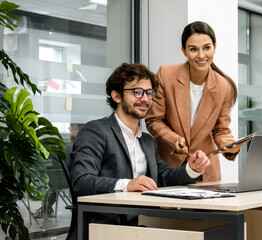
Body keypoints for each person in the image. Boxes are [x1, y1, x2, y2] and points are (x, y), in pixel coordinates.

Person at [70, 63, 210, 237]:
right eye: (137, 92)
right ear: (116, 96)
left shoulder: (147, 141)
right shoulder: (96, 131)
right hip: (103, 230)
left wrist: (192, 169)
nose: (145, 99)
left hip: (142, 225)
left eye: (149, 93)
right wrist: (127, 185)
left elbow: (165, 177)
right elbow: (81, 181)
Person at [145, 21, 248, 181]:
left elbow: (221, 130)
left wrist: (230, 146)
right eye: (193, 49)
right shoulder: (166, 74)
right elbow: (153, 120)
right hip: (170, 166)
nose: (201, 55)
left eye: (207, 47)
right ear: (184, 51)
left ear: (215, 47)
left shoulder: (224, 86)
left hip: (206, 168)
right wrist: (173, 140)